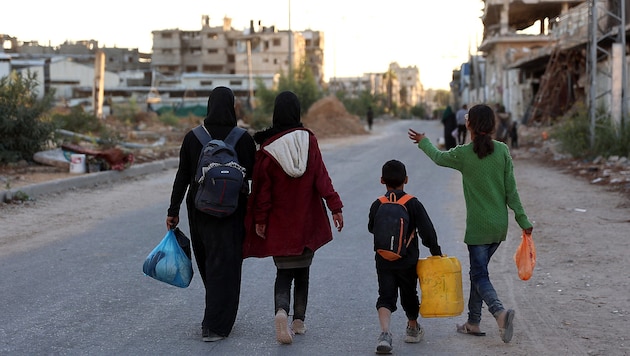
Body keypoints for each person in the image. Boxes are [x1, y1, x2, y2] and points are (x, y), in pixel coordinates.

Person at [407, 104, 533, 344]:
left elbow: (438, 157)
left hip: (478, 229)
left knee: (479, 275)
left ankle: (500, 313)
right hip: (498, 228)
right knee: (478, 273)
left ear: (470, 125)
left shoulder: (464, 153)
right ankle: (473, 322)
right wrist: (523, 220)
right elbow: (512, 191)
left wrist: (424, 141)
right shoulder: (502, 150)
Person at [242, 91, 344, 345]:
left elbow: (262, 192)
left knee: (283, 273)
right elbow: (322, 177)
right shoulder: (309, 140)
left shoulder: (268, 150)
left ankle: (281, 312)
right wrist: (335, 207)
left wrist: (260, 220)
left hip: (280, 224)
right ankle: (298, 320)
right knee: (303, 272)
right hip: (306, 222)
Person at [166, 86, 256, 342]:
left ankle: (213, 316)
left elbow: (182, 176)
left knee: (208, 262)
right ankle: (216, 324)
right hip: (233, 212)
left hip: (199, 210)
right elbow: (255, 177)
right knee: (226, 266)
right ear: (232, 107)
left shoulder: (192, 137)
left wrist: (173, 210)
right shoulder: (244, 139)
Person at [368, 159, 443, 354]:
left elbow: (371, 228)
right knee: (409, 292)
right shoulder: (413, 203)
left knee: (385, 294)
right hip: (407, 260)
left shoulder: (378, 204)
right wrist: (436, 252)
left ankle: (385, 333)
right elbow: (428, 232)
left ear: (382, 180)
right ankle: (412, 327)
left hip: (383, 259)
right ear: (406, 180)